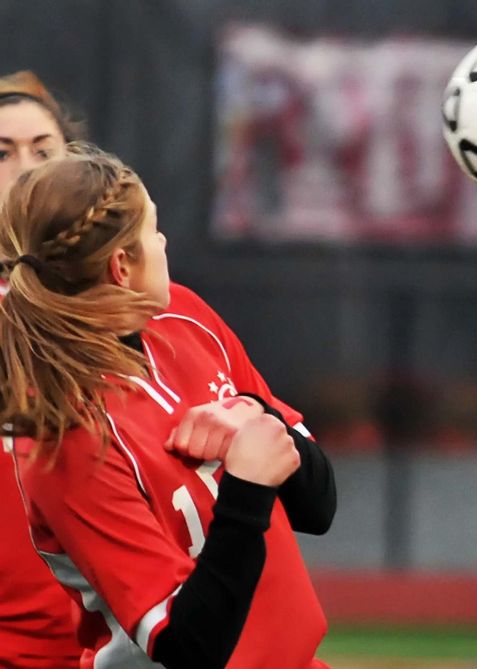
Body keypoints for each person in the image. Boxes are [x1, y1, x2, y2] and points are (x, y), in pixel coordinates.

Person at [0, 144, 336, 668]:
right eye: (151, 230)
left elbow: (318, 508)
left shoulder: (186, 315)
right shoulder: (69, 435)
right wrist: (245, 487)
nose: (163, 241)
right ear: (121, 267)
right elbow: (187, 649)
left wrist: (257, 415)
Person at [0, 69, 84, 668]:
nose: (25, 167)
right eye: (1, 152)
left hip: (125, 637)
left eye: (43, 150)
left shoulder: (130, 303)